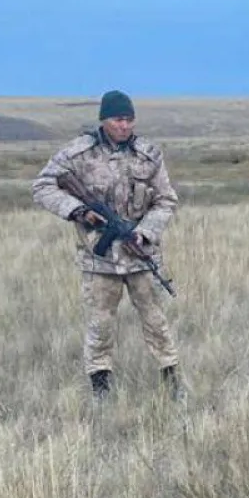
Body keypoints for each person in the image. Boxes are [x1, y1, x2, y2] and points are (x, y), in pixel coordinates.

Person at [31, 90, 181, 399]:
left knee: (156, 319)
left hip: (140, 254)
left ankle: (171, 379)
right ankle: (101, 386)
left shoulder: (148, 154)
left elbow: (166, 200)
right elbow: (43, 186)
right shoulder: (78, 153)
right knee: (100, 323)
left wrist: (145, 233)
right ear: (104, 120)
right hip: (98, 258)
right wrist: (78, 211)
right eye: (118, 119)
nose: (125, 126)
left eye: (129, 119)